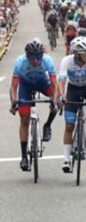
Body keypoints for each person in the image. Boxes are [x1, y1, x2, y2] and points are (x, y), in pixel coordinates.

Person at [8, 39, 58, 171]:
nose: (35, 61)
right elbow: (13, 87)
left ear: (42, 55)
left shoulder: (47, 61)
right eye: (32, 58)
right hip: (25, 86)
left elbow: (55, 85)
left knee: (57, 101)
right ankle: (24, 157)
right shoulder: (20, 63)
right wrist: (13, 102)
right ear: (27, 56)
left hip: (42, 82)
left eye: (38, 57)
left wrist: (55, 100)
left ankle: (47, 125)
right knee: (24, 119)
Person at [56, 37, 86, 172]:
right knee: (69, 125)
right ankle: (66, 160)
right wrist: (62, 96)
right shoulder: (67, 61)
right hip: (73, 89)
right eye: (84, 53)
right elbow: (62, 80)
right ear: (76, 54)